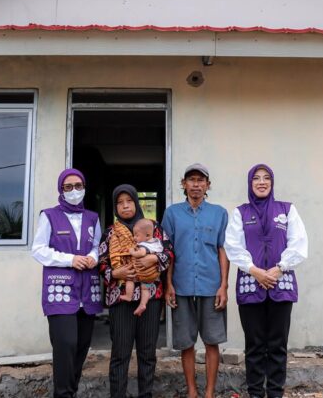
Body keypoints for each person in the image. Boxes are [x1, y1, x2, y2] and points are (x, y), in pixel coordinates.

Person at [224, 164, 308, 398]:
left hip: (281, 285)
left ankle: (275, 393)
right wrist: (255, 271)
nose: (261, 182)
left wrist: (279, 269)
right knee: (254, 345)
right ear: (250, 183)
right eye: (256, 178)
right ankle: (255, 394)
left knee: (278, 345)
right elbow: (233, 246)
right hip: (251, 285)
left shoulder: (287, 210)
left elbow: (299, 243)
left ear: (272, 182)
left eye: (266, 178)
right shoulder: (240, 213)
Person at [31, 168, 102, 398]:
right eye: (68, 187)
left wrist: (93, 257)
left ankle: (69, 392)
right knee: (66, 346)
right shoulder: (49, 215)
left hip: (87, 292)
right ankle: (63, 394)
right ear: (61, 190)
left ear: (84, 188)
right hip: (60, 291)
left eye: (78, 186)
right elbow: (38, 250)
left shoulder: (93, 218)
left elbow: (97, 246)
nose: (74, 191)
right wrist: (70, 259)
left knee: (81, 347)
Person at [99, 184, 174, 398]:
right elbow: (101, 263)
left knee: (147, 353)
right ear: (115, 207)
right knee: (120, 354)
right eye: (120, 202)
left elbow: (169, 252)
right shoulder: (111, 233)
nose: (125, 206)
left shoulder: (153, 227)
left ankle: (145, 394)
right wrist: (116, 273)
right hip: (121, 299)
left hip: (151, 299)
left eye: (129, 201)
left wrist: (153, 258)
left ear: (136, 202)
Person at [162, 163, 229, 398]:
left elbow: (222, 250)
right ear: (184, 184)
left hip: (211, 286)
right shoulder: (172, 214)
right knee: (186, 342)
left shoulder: (219, 213)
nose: (196, 184)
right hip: (180, 286)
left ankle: (209, 392)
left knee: (212, 341)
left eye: (201, 180)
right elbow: (167, 252)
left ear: (208, 185)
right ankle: (192, 391)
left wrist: (223, 286)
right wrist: (168, 284)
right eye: (191, 180)